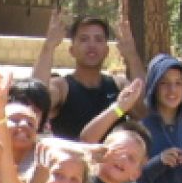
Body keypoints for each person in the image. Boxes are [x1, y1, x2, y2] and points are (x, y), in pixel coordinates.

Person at [34, 11, 146, 139]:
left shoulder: (119, 85)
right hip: (72, 157)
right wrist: (48, 47)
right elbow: (35, 100)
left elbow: (143, 111)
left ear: (106, 51)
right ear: (72, 50)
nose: (92, 45)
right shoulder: (62, 88)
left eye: (98, 39)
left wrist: (132, 55)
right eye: (84, 39)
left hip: (112, 158)